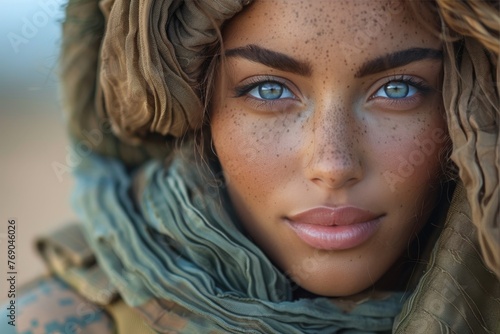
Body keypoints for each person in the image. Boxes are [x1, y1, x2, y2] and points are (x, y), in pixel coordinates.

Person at [5, 0, 499, 333]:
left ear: (470, 105)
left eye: (397, 89)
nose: (332, 164)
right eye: (268, 89)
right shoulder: (46, 321)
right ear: (198, 109)